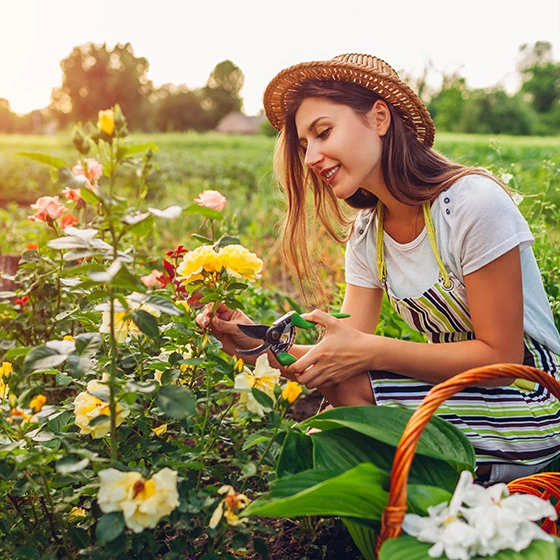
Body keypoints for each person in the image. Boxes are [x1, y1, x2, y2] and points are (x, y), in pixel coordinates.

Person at [197, 53, 560, 483]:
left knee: (346, 421)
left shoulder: (471, 205)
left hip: (531, 394)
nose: (311, 156)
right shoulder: (368, 235)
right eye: (303, 145)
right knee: (344, 389)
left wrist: (374, 351)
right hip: (462, 392)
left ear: (380, 118)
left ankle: (450, 497)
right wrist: (257, 342)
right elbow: (338, 358)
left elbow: (502, 354)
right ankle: (447, 494)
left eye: (323, 132)